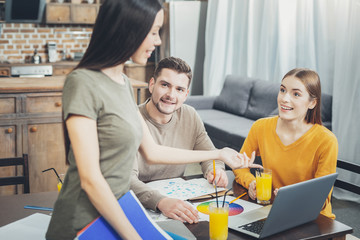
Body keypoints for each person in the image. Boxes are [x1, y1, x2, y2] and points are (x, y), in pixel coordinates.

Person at [46, 1, 260, 239]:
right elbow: (91, 180)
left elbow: (153, 151)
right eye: (153, 32)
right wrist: (133, 236)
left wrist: (219, 154)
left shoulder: (123, 82)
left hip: (122, 210)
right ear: (129, 29)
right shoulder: (83, 82)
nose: (158, 41)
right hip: (85, 222)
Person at [131, 57, 228, 224]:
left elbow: (209, 155)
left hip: (177, 205)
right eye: (165, 85)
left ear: (186, 94)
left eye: (179, 89)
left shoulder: (190, 115)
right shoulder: (132, 119)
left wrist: (215, 170)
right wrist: (160, 202)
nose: (171, 95)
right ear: (152, 84)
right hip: (138, 206)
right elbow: (125, 179)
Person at [233, 68, 338, 219]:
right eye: (282, 90)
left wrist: (292, 198)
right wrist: (251, 183)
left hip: (313, 220)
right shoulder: (260, 127)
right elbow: (240, 166)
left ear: (312, 103)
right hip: (272, 212)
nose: (284, 98)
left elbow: (321, 198)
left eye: (296, 94)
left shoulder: (326, 141)